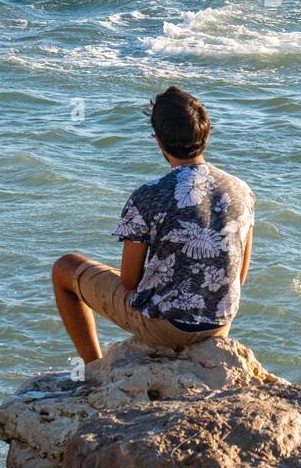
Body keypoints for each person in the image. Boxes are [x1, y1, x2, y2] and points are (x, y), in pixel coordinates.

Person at [52, 86, 256, 362]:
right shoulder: (241, 190)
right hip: (219, 322)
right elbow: (239, 278)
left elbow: (129, 281)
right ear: (206, 135)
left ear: (158, 141)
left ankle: (93, 367)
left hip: (166, 328)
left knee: (65, 268)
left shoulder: (149, 194)